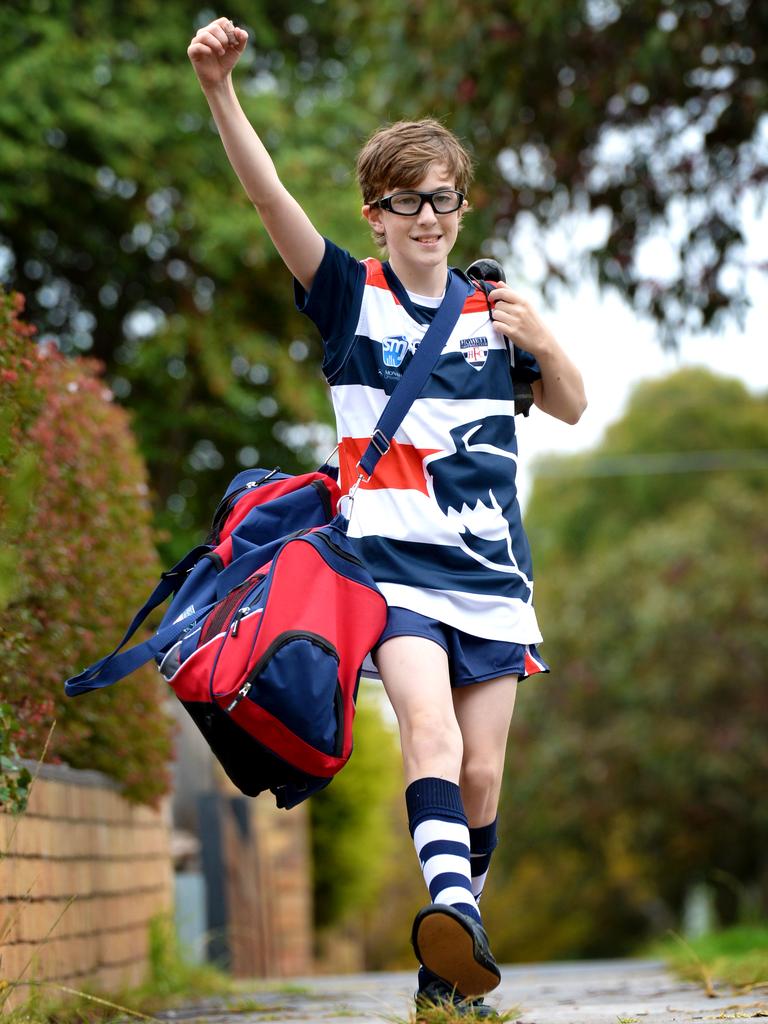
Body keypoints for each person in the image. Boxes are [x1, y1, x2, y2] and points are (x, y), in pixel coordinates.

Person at [188, 17, 587, 1019]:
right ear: (376, 212)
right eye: (406, 201)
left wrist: (540, 334)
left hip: (495, 578)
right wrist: (221, 93)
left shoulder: (498, 314)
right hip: (391, 571)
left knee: (486, 774)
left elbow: (575, 405)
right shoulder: (346, 300)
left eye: (442, 200)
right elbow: (268, 198)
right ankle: (450, 906)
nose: (428, 217)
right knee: (430, 732)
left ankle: (449, 959)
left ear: (461, 205)